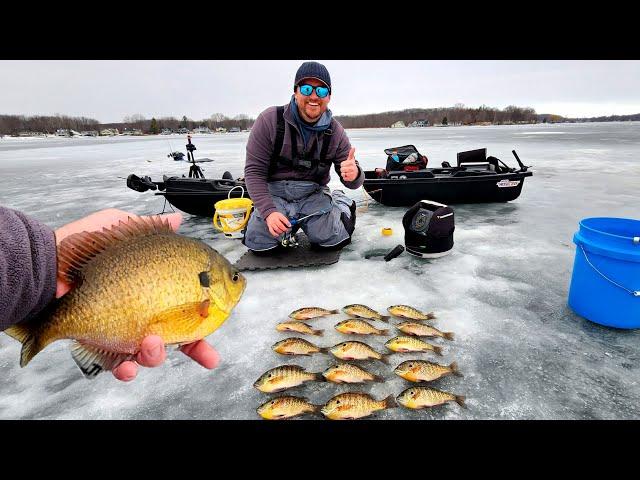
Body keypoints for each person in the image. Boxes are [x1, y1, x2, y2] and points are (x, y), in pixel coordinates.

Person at [0, 206, 219, 382]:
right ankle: (38, 331)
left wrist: (39, 261)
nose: (239, 281)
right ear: (211, 281)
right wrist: (43, 262)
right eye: (233, 278)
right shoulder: (205, 301)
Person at [243, 61, 364, 254]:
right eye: (307, 89)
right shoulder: (269, 120)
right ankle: (266, 220)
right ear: (296, 92)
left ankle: (343, 204)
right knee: (260, 245)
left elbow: (353, 181)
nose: (314, 96)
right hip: (275, 194)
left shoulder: (336, 132)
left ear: (329, 97)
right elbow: (253, 172)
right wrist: (268, 211)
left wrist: (355, 174)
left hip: (312, 194)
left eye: (322, 91)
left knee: (331, 240)